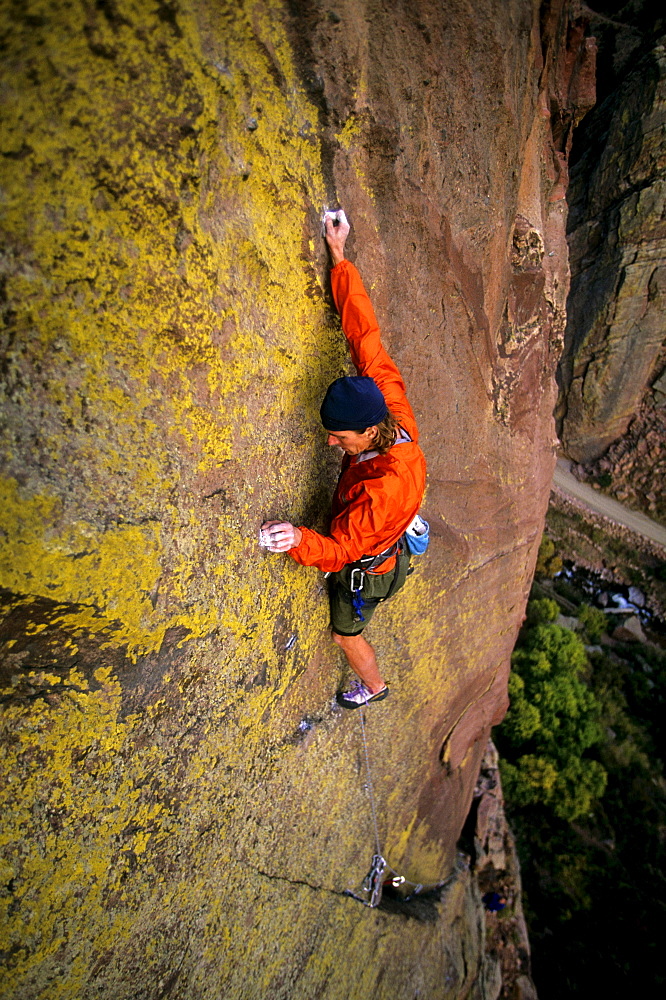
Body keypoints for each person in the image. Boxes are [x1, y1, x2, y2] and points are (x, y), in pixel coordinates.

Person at [261, 213, 426, 709]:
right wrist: (339, 256)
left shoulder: (381, 491)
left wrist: (295, 539)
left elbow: (340, 553)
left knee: (344, 636)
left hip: (373, 567)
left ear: (369, 431)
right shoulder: (388, 404)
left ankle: (375, 689)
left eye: (338, 438)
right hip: (395, 527)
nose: (331, 445)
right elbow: (365, 336)